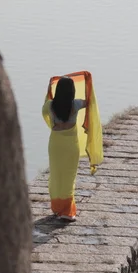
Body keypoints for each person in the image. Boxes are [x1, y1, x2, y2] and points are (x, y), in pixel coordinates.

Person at [43, 76, 87, 222]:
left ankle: (57, 207)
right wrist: (88, 83)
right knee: (69, 176)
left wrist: (48, 89)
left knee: (56, 175)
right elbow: (90, 101)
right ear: (72, 91)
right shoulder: (76, 104)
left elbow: (44, 108)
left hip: (55, 144)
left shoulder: (50, 105)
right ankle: (66, 211)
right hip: (70, 145)